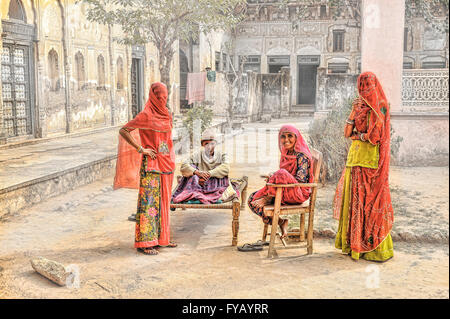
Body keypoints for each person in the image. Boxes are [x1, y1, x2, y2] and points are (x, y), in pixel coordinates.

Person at [333, 71, 394, 262]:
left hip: (372, 163)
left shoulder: (381, 106)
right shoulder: (359, 106)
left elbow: (375, 137)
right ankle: (354, 247)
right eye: (362, 85)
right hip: (355, 160)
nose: (365, 89)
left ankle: (373, 249)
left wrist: (358, 136)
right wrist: (353, 112)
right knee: (354, 204)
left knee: (371, 204)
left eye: (368, 85)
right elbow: (346, 132)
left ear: (375, 85)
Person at [113, 82, 176, 255]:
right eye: (160, 96)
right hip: (152, 165)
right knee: (149, 204)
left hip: (167, 164)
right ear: (154, 96)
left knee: (164, 203)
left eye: (165, 95)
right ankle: (145, 243)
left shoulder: (167, 114)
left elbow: (167, 140)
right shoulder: (146, 115)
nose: (163, 99)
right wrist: (141, 149)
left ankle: (162, 239)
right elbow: (124, 130)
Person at [247, 125, 313, 239]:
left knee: (280, 173)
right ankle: (281, 222)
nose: (286, 140)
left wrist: (278, 178)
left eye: (290, 136)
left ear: (297, 138)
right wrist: (275, 177)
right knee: (252, 199)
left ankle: (268, 197)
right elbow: (286, 175)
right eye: (283, 136)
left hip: (298, 193)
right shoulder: (287, 153)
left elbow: (299, 181)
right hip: (284, 189)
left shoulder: (302, 156)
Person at [171, 129, 240, 205]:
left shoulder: (222, 154)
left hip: (216, 183)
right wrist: (197, 172)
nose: (209, 146)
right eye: (206, 143)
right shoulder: (197, 155)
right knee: (191, 167)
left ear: (215, 143)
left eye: (212, 143)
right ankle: (197, 194)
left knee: (222, 174)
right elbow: (184, 165)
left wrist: (209, 173)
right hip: (200, 183)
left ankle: (204, 195)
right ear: (202, 144)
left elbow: (226, 167)